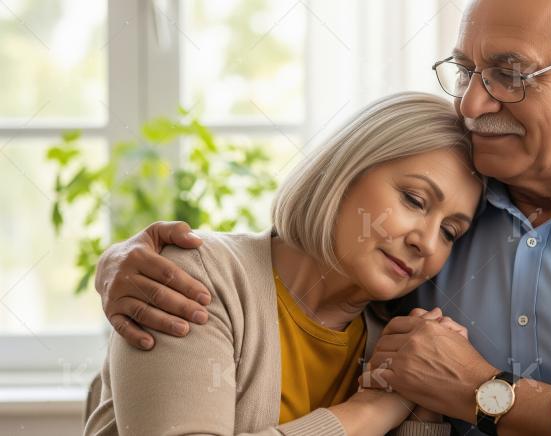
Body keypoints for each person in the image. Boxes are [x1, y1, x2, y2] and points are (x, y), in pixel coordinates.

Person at [91, 0, 551, 434]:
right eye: (465, 70)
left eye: (510, 73)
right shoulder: (451, 208)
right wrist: (126, 262)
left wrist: (487, 394)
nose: (473, 104)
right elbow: (288, 271)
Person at [83, 92, 484, 435]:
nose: (426, 243)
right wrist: (368, 413)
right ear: (344, 173)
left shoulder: (398, 347)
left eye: (450, 232)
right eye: (414, 200)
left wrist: (423, 411)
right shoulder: (199, 277)